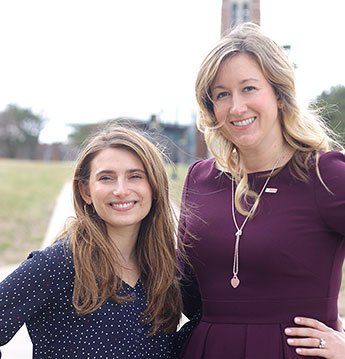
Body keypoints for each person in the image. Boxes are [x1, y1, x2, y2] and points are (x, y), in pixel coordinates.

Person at [178, 22, 345, 358]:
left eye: (249, 88)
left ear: (279, 95)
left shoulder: (326, 176)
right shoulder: (200, 179)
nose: (236, 107)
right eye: (222, 94)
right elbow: (184, 291)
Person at [0, 124, 189, 358]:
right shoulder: (56, 265)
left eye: (135, 176)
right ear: (85, 191)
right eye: (106, 178)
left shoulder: (166, 267)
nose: (121, 190)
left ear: (154, 186)